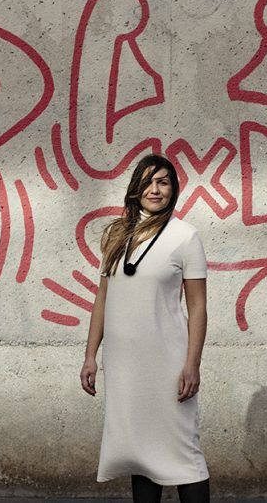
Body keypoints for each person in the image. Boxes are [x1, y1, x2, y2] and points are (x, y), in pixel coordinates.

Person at [81, 154, 211, 503]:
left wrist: (192, 364)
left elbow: (198, 307)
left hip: (168, 363)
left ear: (173, 189)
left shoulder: (186, 236)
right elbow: (103, 298)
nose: (155, 190)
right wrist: (90, 356)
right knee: (140, 453)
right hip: (125, 365)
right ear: (136, 188)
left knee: (184, 454)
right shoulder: (117, 235)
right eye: (148, 182)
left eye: (163, 182)